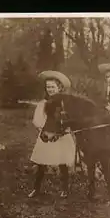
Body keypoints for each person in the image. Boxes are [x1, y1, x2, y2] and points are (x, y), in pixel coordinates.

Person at [27, 70, 76, 199]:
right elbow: (37, 120)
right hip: (46, 134)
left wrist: (62, 131)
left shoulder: (65, 103)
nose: (50, 89)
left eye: (53, 87)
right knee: (41, 163)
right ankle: (36, 188)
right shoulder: (43, 103)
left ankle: (64, 189)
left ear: (59, 87)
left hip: (61, 136)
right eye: (48, 87)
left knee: (62, 162)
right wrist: (43, 130)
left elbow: (70, 120)